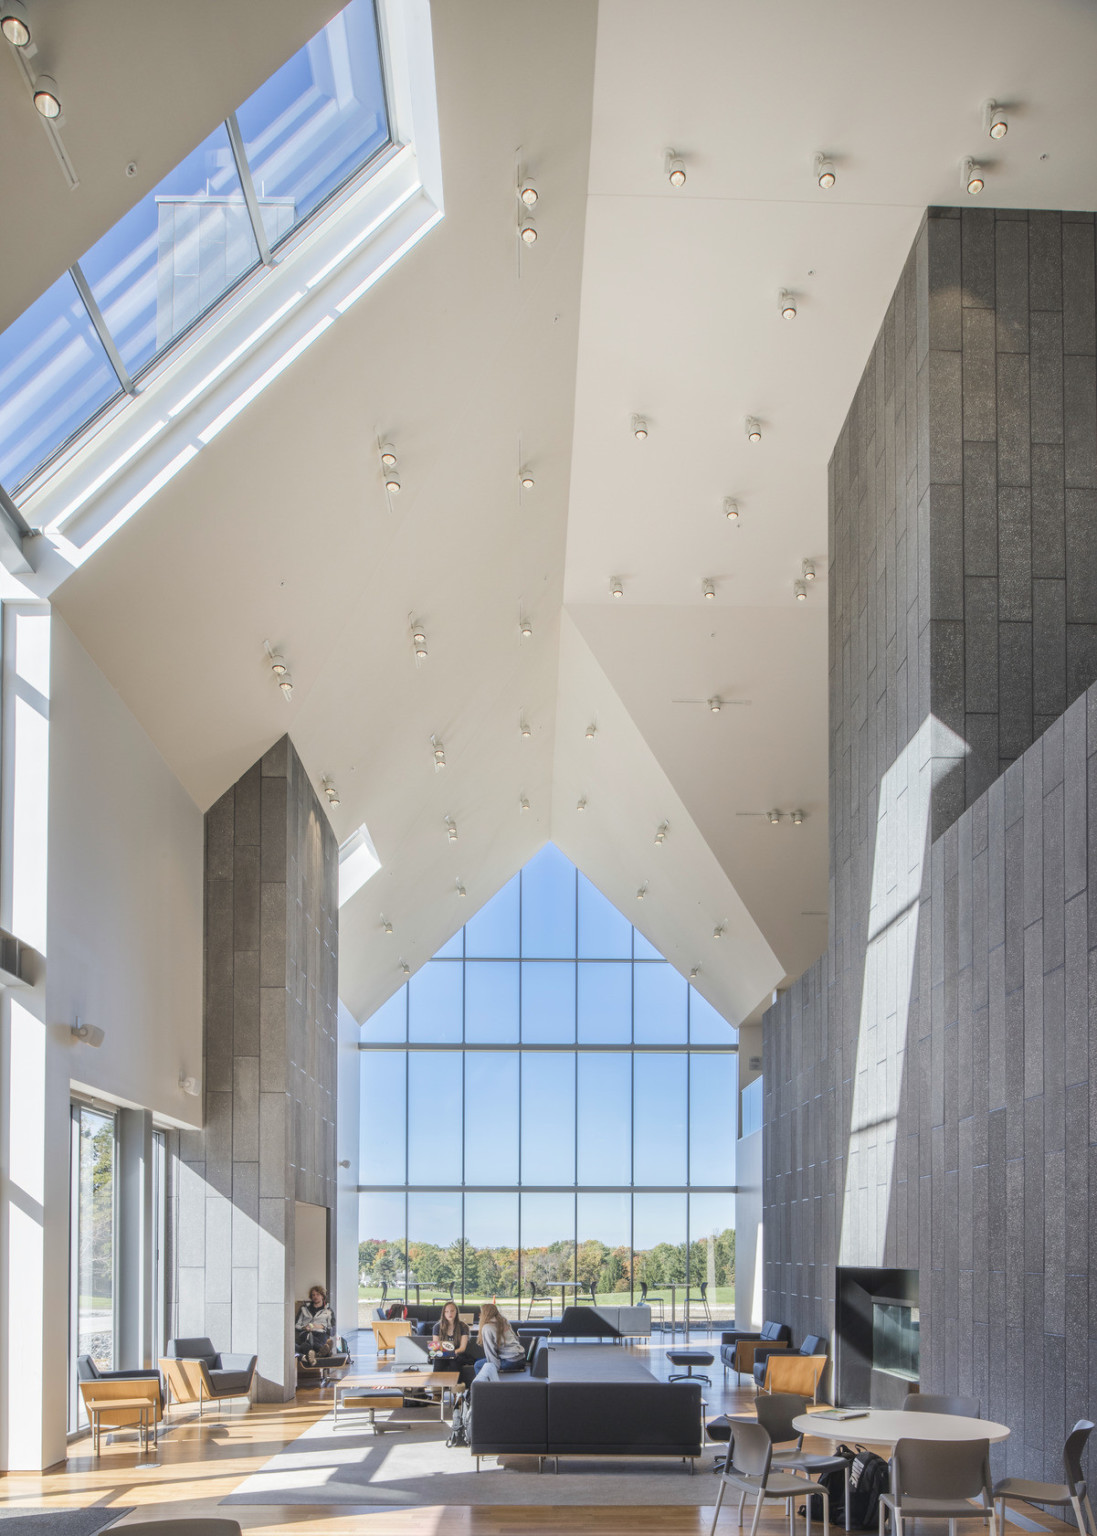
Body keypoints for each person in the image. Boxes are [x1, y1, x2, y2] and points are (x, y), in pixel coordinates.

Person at [472, 1303, 527, 1382]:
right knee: (480, 1360)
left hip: (510, 1361)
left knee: (478, 1365)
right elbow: (515, 1338)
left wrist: (494, 1368)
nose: (479, 1315)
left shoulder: (487, 1328)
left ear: (486, 1314)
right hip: (521, 1358)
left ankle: (483, 1390)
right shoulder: (503, 1321)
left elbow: (490, 1351)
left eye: (481, 1313)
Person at [295, 1285, 336, 1365]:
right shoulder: (304, 1308)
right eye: (313, 1295)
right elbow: (296, 1325)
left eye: (317, 1294)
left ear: (322, 1296)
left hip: (321, 1333)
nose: (315, 1297)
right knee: (308, 1337)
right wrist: (304, 1327)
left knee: (305, 1345)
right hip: (305, 1333)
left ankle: (315, 1354)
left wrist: (321, 1326)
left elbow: (332, 1331)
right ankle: (324, 1351)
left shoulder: (328, 1310)